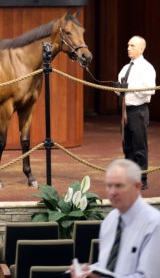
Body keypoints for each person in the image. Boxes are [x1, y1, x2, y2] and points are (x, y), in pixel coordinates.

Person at [70, 158, 160, 278]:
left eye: (119, 186)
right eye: (109, 186)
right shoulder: (110, 220)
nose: (112, 192)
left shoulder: (154, 224)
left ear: (137, 186)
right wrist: (89, 270)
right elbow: (108, 266)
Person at [115, 36, 156, 190]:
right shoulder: (125, 68)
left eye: (132, 45)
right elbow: (119, 92)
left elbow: (150, 90)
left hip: (138, 111)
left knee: (139, 146)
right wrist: (117, 88)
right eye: (128, 45)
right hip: (126, 111)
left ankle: (142, 178)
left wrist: (129, 87)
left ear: (141, 49)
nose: (128, 48)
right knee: (127, 146)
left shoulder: (147, 67)